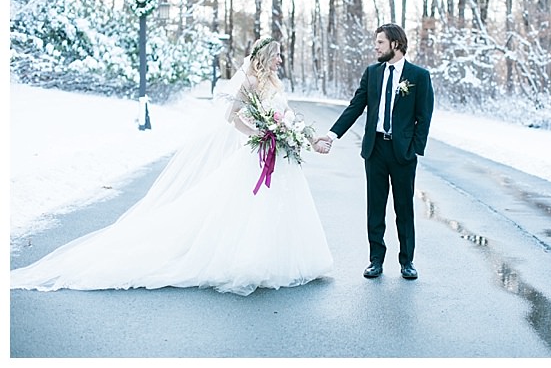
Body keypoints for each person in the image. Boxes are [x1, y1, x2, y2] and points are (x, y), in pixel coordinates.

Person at [10, 37, 333, 296]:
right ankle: (250, 261)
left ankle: (280, 260)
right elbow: (231, 118)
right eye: (277, 56)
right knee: (247, 211)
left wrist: (302, 136)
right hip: (257, 155)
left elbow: (287, 117)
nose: (280, 61)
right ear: (265, 56)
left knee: (279, 209)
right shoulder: (248, 82)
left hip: (280, 157)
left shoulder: (275, 85)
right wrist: (260, 134)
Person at [317, 23, 434, 280]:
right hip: (375, 149)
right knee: (375, 207)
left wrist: (414, 149)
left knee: (404, 208)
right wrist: (332, 134)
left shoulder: (419, 76)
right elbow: (355, 107)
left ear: (395, 44)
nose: (375, 46)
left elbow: (424, 116)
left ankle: (407, 262)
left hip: (403, 152)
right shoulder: (372, 73)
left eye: (380, 42)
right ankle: (375, 260)